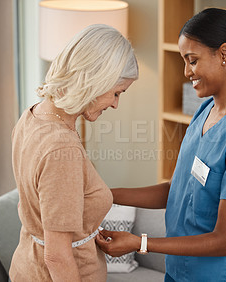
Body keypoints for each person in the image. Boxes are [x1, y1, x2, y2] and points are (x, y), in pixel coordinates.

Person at [96, 8, 226, 281]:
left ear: (225, 54)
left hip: (220, 275)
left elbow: (223, 240)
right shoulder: (206, 111)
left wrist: (139, 243)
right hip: (180, 271)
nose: (186, 71)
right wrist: (107, 195)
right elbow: (178, 192)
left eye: (192, 60)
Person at [9, 24, 138, 282]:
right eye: (116, 93)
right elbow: (56, 256)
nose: (115, 104)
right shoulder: (62, 148)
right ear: (95, 80)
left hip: (26, 266)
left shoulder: (34, 115)